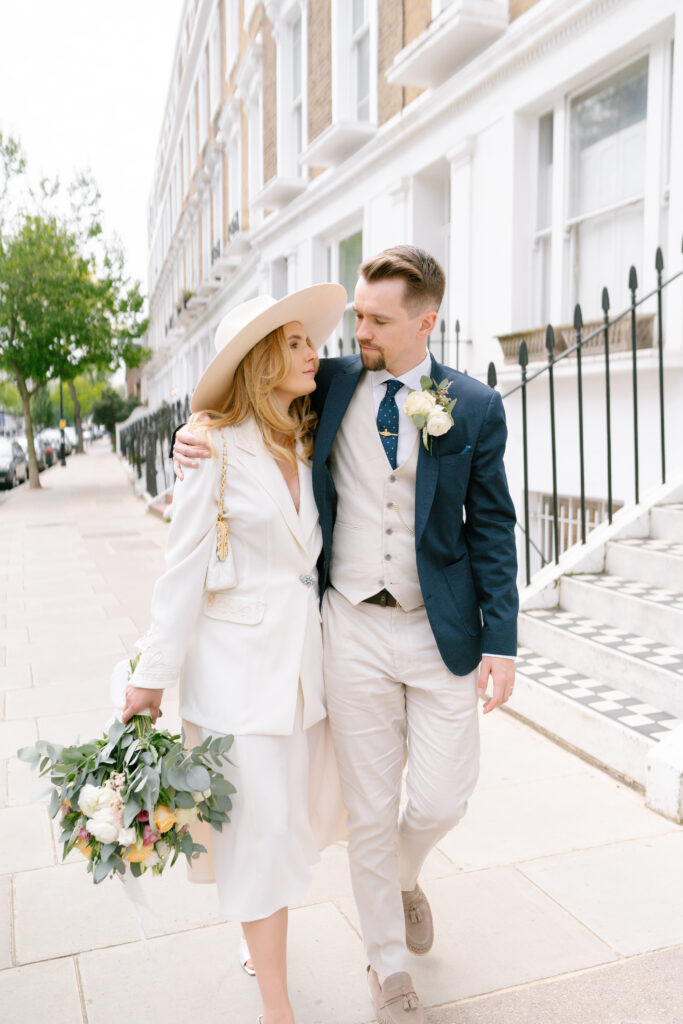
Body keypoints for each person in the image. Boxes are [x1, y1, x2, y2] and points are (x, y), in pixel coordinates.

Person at [173, 246, 519, 1024]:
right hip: (350, 629)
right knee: (367, 807)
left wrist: (501, 641)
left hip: (440, 632)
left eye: (374, 319)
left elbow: (492, 527)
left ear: (423, 322)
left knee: (438, 799)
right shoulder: (326, 385)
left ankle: (402, 874)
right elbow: (238, 392)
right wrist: (185, 430)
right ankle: (386, 966)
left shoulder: (472, 405)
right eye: (356, 313)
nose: (354, 329)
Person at [123, 284, 348, 1024]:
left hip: (299, 676)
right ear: (259, 360)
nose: (314, 350)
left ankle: (262, 945)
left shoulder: (306, 438)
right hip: (234, 679)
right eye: (293, 343)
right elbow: (180, 568)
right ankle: (276, 1009)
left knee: (281, 834)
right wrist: (150, 679)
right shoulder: (211, 446)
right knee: (255, 842)